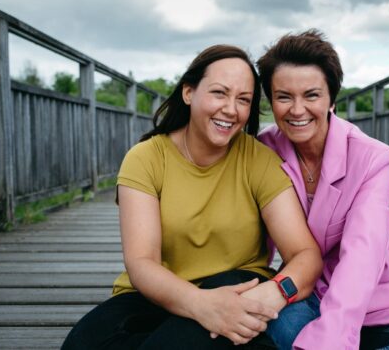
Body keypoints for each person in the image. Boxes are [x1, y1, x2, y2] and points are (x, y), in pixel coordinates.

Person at [62, 44, 323, 349]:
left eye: (243, 100)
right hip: (156, 294)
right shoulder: (146, 158)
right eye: (219, 93)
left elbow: (305, 255)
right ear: (189, 92)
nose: (230, 109)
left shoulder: (259, 161)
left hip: (237, 288)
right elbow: (142, 262)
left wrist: (272, 294)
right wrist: (201, 305)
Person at [258, 30, 389, 350]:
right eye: (283, 96)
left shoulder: (374, 158)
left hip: (376, 302)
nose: (297, 109)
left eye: (311, 95)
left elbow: (363, 253)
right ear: (270, 100)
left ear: (331, 99)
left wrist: (332, 341)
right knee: (276, 329)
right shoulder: (263, 149)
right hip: (306, 294)